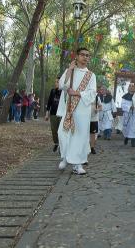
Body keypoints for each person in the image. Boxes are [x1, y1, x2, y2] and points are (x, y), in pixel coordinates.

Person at [56, 47, 96, 175]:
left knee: (80, 136)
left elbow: (92, 93)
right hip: (69, 109)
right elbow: (62, 86)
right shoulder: (69, 71)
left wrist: (77, 93)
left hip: (82, 110)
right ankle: (64, 158)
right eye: (83, 55)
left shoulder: (91, 75)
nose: (85, 57)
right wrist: (70, 70)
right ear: (77, 56)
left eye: (87, 55)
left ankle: (78, 165)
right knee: (62, 133)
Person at [46, 78, 62, 152]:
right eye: (55, 82)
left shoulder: (64, 91)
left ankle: (61, 145)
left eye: (57, 82)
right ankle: (56, 143)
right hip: (53, 114)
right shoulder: (52, 91)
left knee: (61, 130)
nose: (56, 83)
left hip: (61, 114)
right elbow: (49, 103)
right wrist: (47, 114)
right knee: (54, 130)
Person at [121, 83, 135, 147]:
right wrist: (129, 107)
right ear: (128, 88)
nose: (131, 87)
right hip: (127, 115)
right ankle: (126, 138)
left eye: (133, 86)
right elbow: (123, 105)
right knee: (127, 129)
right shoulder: (125, 96)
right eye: (130, 86)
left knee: (134, 128)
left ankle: (133, 142)